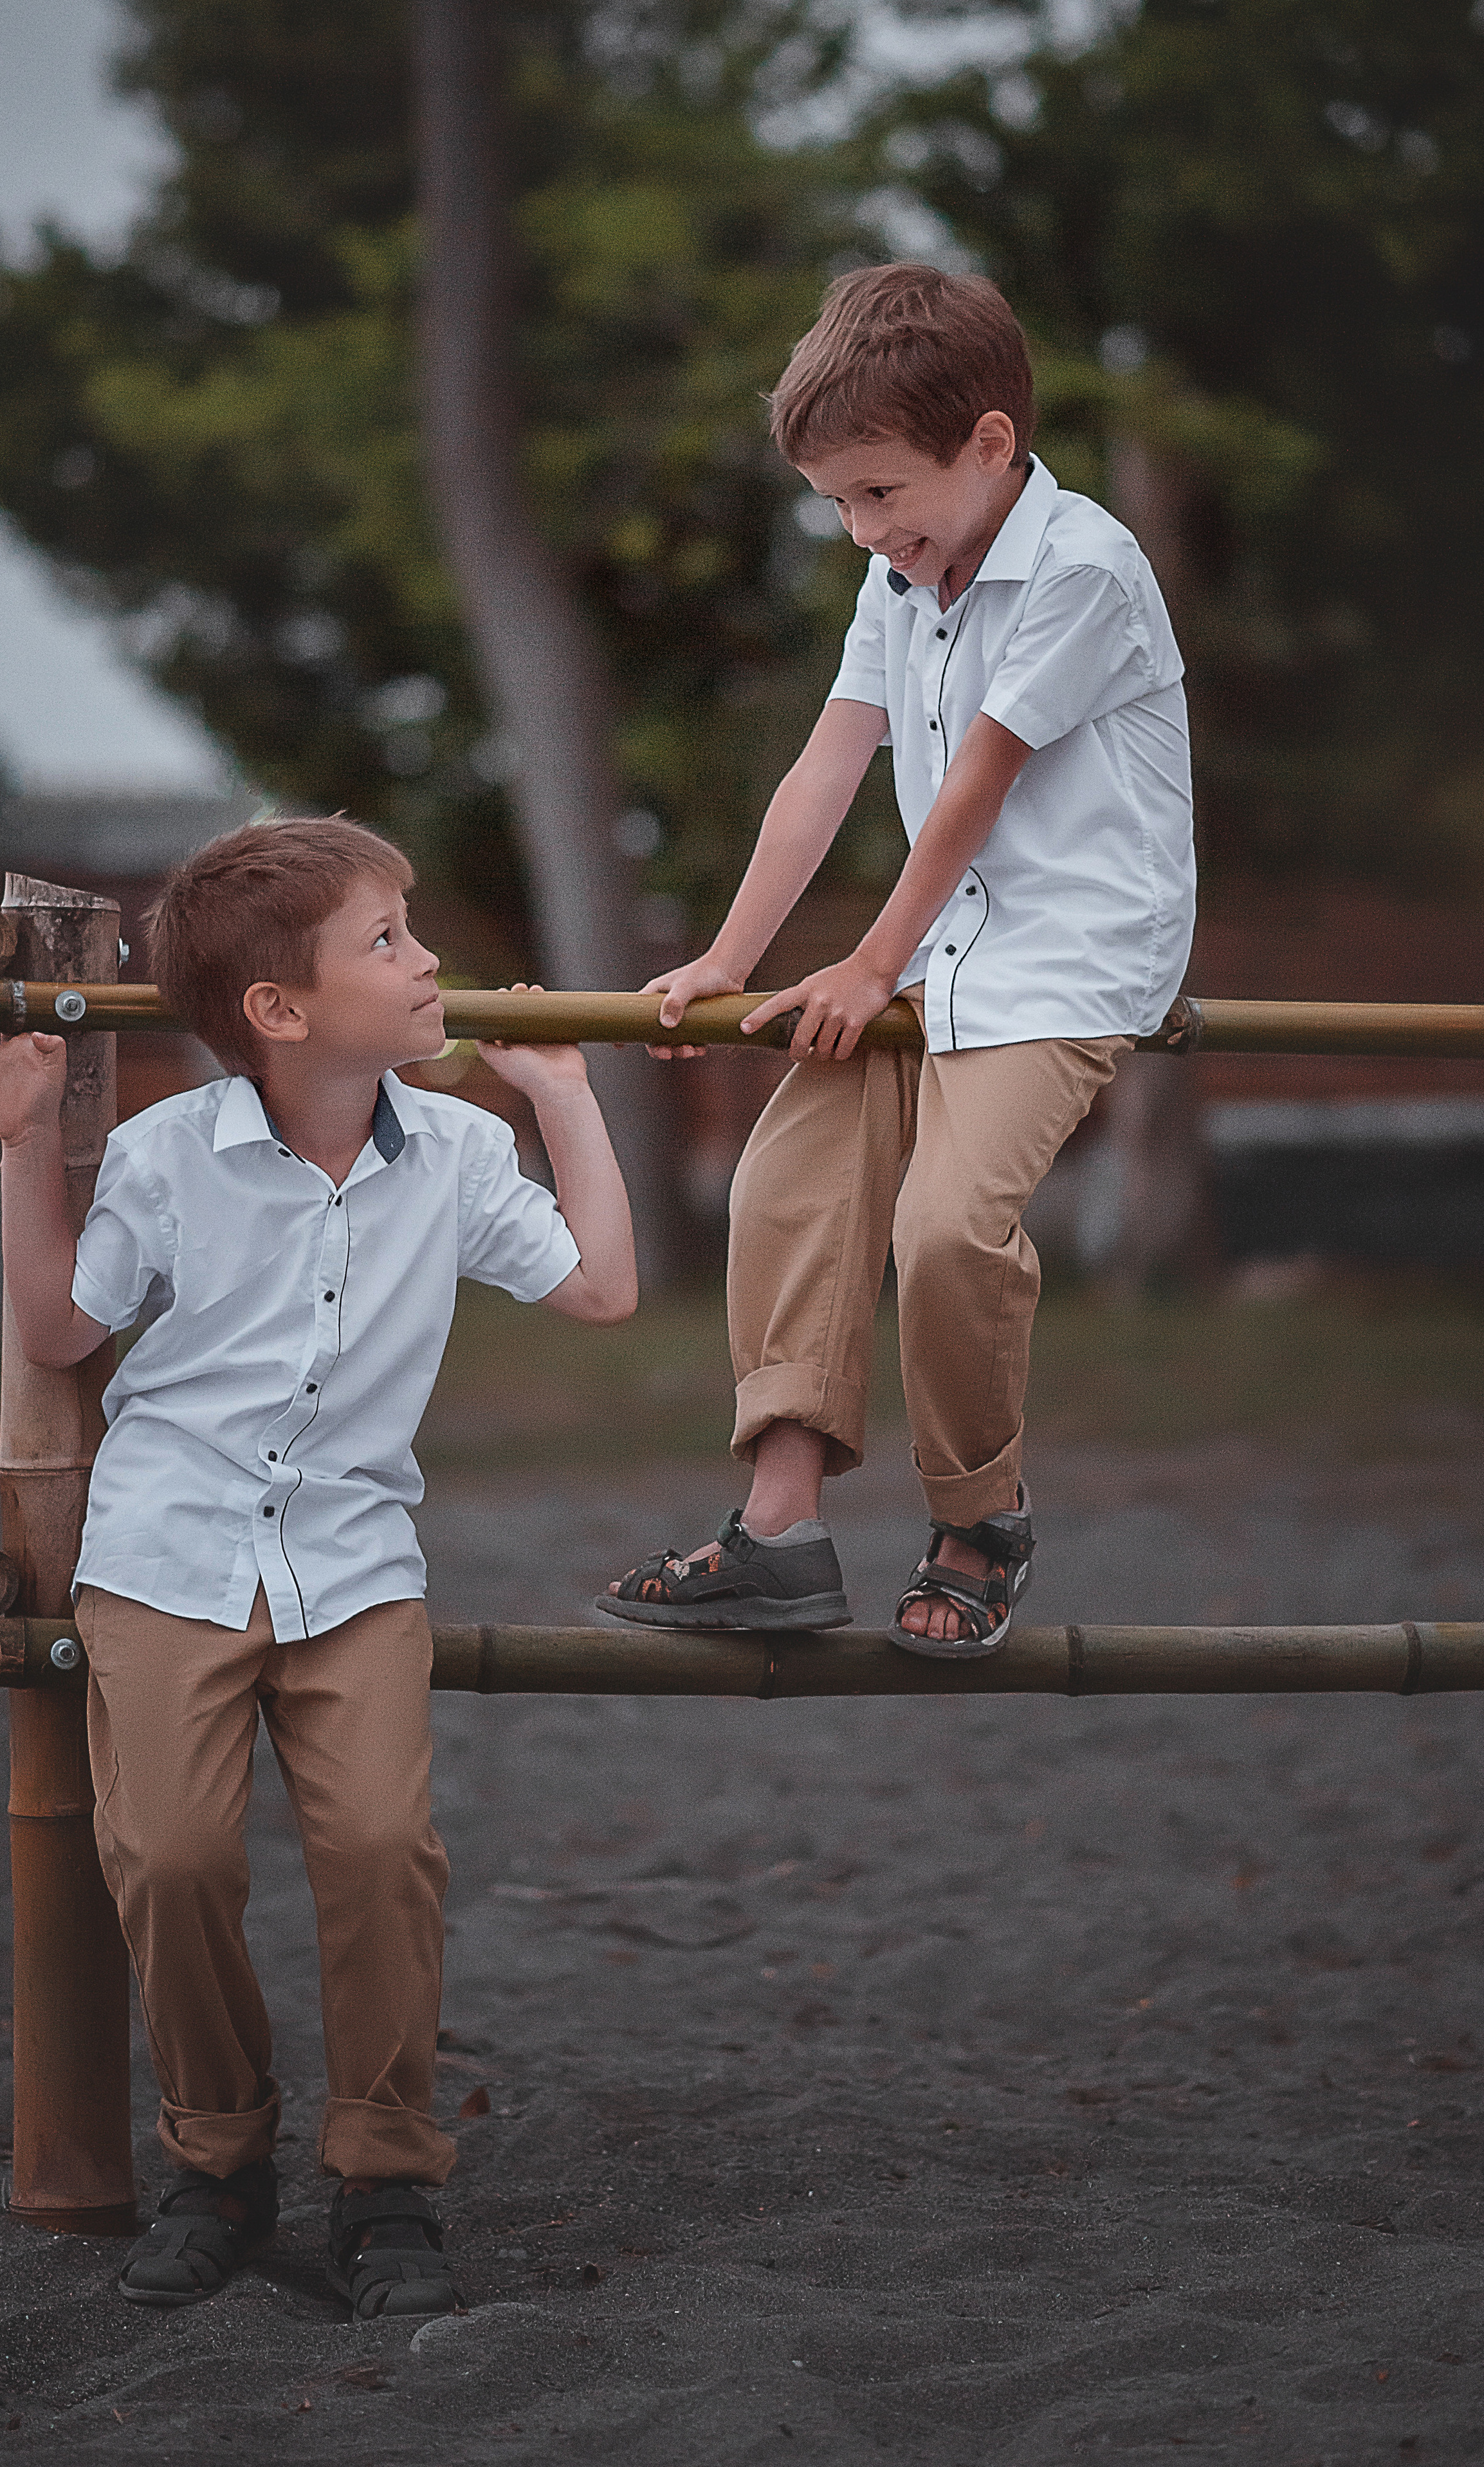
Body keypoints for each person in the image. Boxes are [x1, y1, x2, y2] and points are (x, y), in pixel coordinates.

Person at [0, 817, 636, 2316]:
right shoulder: (168, 1154)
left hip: (352, 1561)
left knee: (385, 1851)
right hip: (165, 1554)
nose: (429, 961)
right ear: (278, 1010)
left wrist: (564, 1096)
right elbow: (62, 1330)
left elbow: (599, 1289)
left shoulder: (456, 1151)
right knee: (172, 1857)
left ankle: (386, 2181)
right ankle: (218, 2162)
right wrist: (23, 1143)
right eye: (387, 941)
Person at [601, 261, 1195, 1654]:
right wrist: (727, 958)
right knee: (784, 1184)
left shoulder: (1084, 567)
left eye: (878, 493)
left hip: (1067, 955)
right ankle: (778, 1535)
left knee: (946, 1233)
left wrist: (870, 965)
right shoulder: (903, 573)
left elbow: (978, 779)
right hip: (943, 946)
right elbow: (827, 765)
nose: (862, 531)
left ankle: (980, 1520)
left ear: (988, 444)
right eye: (837, 504)